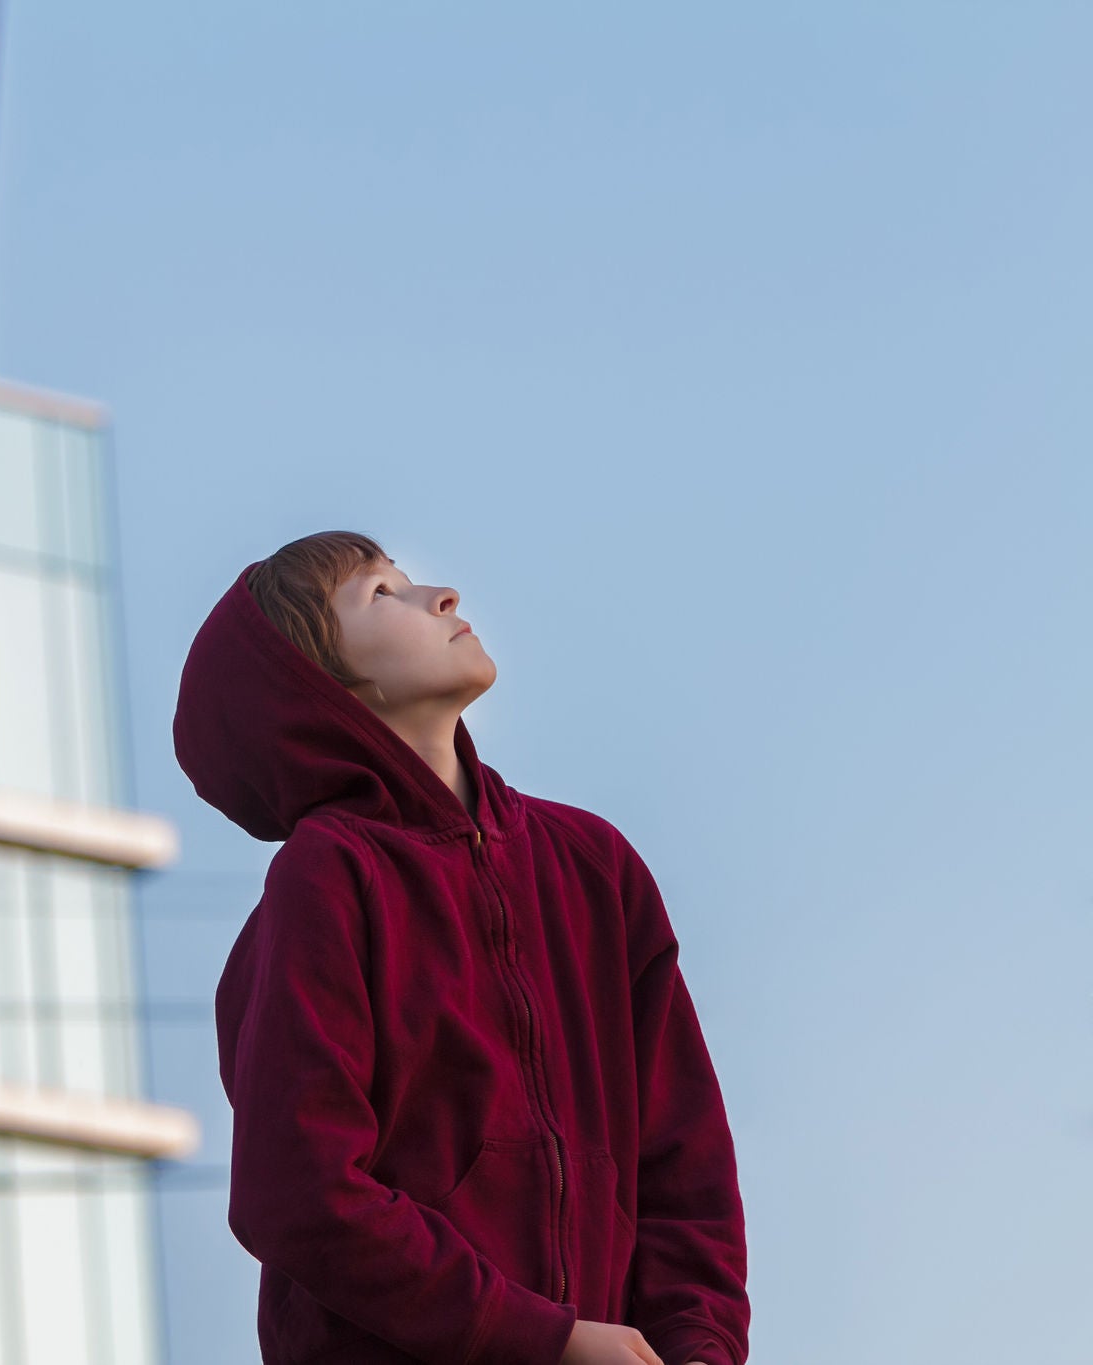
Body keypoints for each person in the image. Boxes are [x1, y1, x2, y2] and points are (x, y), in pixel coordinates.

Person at [173, 531, 750, 1365]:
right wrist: (542, 1342)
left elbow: (685, 1158)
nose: (438, 595)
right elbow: (298, 1190)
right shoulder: (327, 879)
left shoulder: (594, 866)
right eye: (379, 594)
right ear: (323, 684)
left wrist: (700, 1346)